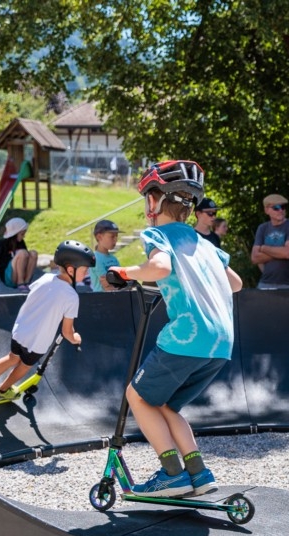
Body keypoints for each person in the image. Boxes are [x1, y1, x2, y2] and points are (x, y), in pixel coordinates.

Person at [105, 160, 243, 497]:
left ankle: (171, 474)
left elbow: (159, 267)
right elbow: (236, 283)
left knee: (136, 396)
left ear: (153, 201)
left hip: (188, 336)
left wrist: (123, 272)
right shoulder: (206, 244)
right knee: (166, 406)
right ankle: (198, 472)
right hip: (221, 342)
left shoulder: (158, 235)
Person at [0, 241, 92, 407]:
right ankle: (2, 391)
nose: (87, 273)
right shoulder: (72, 296)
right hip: (37, 342)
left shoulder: (46, 278)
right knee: (25, 365)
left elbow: (40, 298)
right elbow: (67, 332)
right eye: (85, 270)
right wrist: (76, 338)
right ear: (71, 269)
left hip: (20, 331)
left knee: (11, 358)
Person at [251, 193, 289, 289]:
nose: (280, 210)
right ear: (266, 210)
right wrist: (280, 252)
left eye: (283, 207)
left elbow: (288, 253)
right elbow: (255, 258)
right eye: (276, 208)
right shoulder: (262, 228)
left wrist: (264, 248)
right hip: (265, 283)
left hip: (288, 284)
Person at [0, 217, 38, 292]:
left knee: (33, 253)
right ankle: (20, 283)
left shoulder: (21, 242)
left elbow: (27, 258)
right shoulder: (1, 243)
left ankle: (27, 282)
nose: (24, 236)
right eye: (22, 234)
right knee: (22, 253)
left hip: (19, 273)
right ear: (15, 233)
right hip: (8, 276)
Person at [90, 220, 121, 293]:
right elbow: (107, 285)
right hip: (101, 298)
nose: (115, 240)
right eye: (112, 236)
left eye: (116, 236)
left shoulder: (114, 259)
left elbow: (121, 280)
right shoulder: (95, 259)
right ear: (99, 237)